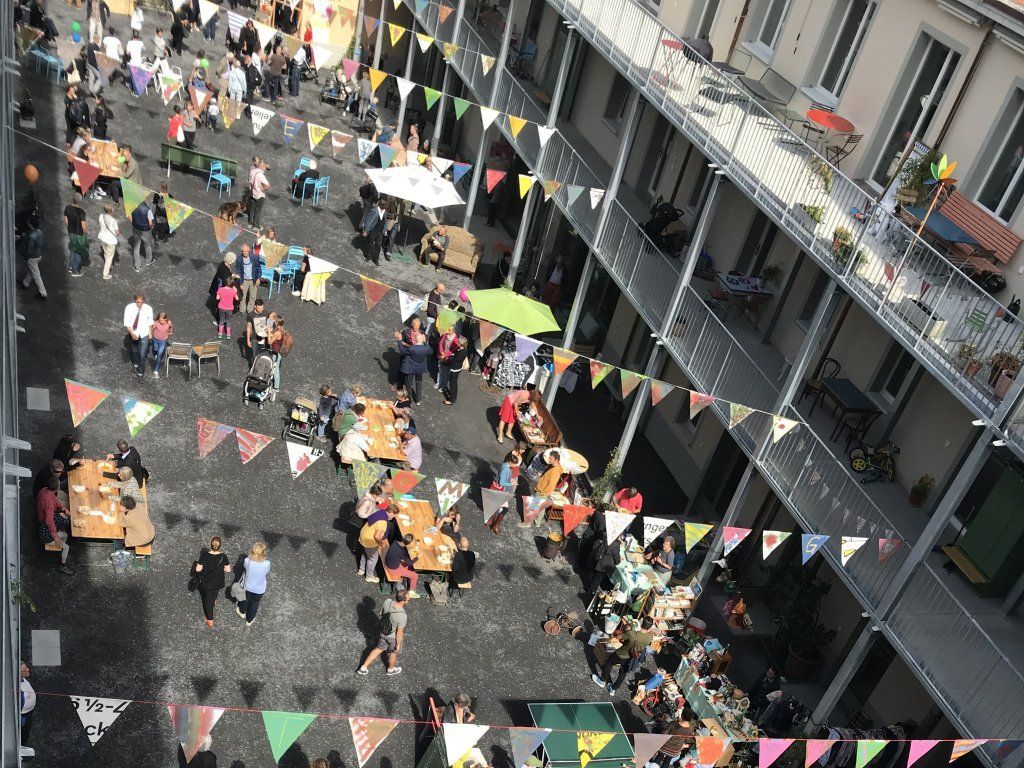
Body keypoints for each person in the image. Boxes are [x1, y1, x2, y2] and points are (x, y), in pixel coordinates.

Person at [592, 616, 655, 695]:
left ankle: (602, 681)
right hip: (631, 658)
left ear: (641, 623)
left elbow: (618, 637)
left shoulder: (632, 634)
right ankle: (613, 689)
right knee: (623, 673)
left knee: (609, 663)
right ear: (650, 627)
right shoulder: (650, 637)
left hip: (621, 654)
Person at [356, 590, 408, 676]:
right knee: (393, 653)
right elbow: (399, 633)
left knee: (378, 649)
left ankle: (363, 668)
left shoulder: (387, 601)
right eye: (408, 599)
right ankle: (390, 670)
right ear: (403, 601)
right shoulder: (402, 615)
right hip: (392, 637)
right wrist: (398, 645)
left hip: (383, 632)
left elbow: (382, 614)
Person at [194, 536, 232, 628]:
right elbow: (228, 570)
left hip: (207, 582)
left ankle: (210, 619)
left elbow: (198, 569)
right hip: (218, 581)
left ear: (210, 544)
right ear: (220, 546)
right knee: (215, 592)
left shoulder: (204, 555)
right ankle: (214, 601)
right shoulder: (223, 556)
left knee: (207, 601)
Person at [37, 477, 72, 573]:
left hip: (44, 529)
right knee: (67, 547)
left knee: (65, 535)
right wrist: (56, 537)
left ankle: (59, 549)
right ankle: (62, 566)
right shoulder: (50, 506)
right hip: (46, 536)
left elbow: (54, 500)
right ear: (58, 487)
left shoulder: (45, 490)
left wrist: (63, 508)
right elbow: (49, 520)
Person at [488, 447, 522, 534]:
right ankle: (495, 526)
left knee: (496, 506)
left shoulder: (505, 465)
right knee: (505, 509)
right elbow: (502, 482)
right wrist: (511, 484)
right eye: (514, 464)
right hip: (501, 491)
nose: (515, 466)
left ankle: (490, 520)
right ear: (510, 462)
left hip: (499, 490)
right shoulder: (505, 469)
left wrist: (510, 481)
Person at [235, 542, 271, 627]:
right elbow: (267, 572)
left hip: (247, 586)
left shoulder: (247, 560)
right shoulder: (267, 563)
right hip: (259, 588)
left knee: (244, 599)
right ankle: (249, 620)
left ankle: (242, 612)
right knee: (255, 603)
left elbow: (245, 567)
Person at [123, 293, 155, 378]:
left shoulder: (148, 308)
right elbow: (127, 322)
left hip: (144, 333)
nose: (140, 304)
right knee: (135, 351)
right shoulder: (129, 308)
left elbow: (150, 321)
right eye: (138, 302)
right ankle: (136, 364)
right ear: (135, 301)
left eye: (142, 302)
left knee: (142, 353)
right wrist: (132, 333)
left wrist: (150, 333)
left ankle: (141, 372)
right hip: (134, 332)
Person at [17, 212, 46, 300]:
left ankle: (43, 294)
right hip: (38, 256)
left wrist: (25, 257)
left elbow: (29, 251)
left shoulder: (31, 235)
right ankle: (25, 283)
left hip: (32, 258)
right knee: (32, 271)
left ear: (31, 224)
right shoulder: (39, 232)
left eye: (29, 222)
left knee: (36, 275)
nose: (27, 223)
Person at [383, 533, 421, 598]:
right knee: (415, 575)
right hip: (392, 569)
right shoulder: (402, 552)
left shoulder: (395, 542)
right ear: (409, 543)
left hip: (388, 562)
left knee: (407, 566)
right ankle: (411, 592)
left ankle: (403, 581)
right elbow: (409, 563)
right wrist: (417, 557)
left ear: (403, 537)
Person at [357, 506, 390, 583]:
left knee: (365, 554)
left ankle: (361, 570)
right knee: (372, 559)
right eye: (394, 515)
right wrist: (381, 544)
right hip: (370, 541)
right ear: (391, 513)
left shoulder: (380, 512)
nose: (393, 517)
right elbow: (377, 536)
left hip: (363, 536)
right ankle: (369, 576)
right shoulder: (383, 522)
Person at [398, 332, 431, 405]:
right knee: (419, 383)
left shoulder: (411, 348)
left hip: (410, 368)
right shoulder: (427, 348)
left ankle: (409, 399)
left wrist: (399, 340)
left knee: (409, 384)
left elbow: (402, 351)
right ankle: (418, 400)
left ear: (416, 340)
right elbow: (431, 352)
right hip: (420, 369)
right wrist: (425, 342)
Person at [64, 192, 88, 278]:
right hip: (79, 234)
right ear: (80, 201)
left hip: (70, 232)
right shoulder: (81, 212)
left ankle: (71, 267)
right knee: (78, 252)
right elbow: (84, 227)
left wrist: (69, 228)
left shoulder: (67, 208)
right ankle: (74, 270)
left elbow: (65, 221)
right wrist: (86, 234)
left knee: (72, 250)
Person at [130, 196, 156, 271]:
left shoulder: (132, 206)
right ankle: (148, 260)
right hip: (145, 231)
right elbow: (150, 223)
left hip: (136, 229)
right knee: (147, 245)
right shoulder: (148, 209)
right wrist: (152, 227)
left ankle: (137, 267)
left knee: (136, 248)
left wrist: (134, 223)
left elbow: (129, 216)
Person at [360, 197, 387, 265]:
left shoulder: (385, 211)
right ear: (380, 205)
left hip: (380, 231)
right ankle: (368, 257)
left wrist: (385, 229)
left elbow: (385, 221)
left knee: (378, 245)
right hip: (374, 229)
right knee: (371, 244)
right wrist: (366, 230)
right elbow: (368, 220)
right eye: (383, 206)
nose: (384, 208)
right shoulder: (374, 210)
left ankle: (376, 260)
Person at [442, 337, 469, 405]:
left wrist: (446, 359)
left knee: (452, 384)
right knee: (454, 383)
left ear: (461, 344)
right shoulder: (464, 349)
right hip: (458, 368)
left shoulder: (461, 353)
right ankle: (453, 397)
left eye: (458, 342)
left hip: (455, 369)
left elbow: (453, 360)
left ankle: (451, 400)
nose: (457, 342)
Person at [234, 243, 260, 313]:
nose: (245, 253)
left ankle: (250, 310)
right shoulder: (239, 259)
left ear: (249, 250)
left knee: (253, 296)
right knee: (242, 296)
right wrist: (240, 283)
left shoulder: (254, 257)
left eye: (246, 251)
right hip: (244, 280)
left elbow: (258, 268)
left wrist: (258, 278)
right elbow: (238, 271)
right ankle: (242, 309)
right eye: (243, 251)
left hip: (253, 280)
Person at [97, 203, 120, 280]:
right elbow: (117, 233)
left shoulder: (101, 216)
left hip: (102, 237)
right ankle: (105, 274)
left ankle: (108, 264)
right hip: (110, 240)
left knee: (106, 252)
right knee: (110, 257)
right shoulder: (113, 220)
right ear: (111, 210)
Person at [248, 159, 270, 229]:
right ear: (262, 167)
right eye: (265, 167)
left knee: (252, 208)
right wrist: (263, 189)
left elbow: (250, 181)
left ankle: (250, 223)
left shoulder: (252, 171)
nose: (265, 169)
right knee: (258, 211)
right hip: (259, 195)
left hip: (253, 193)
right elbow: (268, 185)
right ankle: (256, 226)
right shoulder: (260, 175)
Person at [150, 311, 173, 377]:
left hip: (163, 340)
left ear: (166, 319)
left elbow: (170, 329)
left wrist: (170, 332)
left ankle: (156, 371)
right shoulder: (156, 323)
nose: (161, 321)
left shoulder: (168, 323)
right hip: (155, 339)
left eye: (162, 320)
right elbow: (151, 328)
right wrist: (150, 334)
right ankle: (155, 354)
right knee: (155, 349)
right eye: (160, 320)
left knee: (159, 354)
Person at [20, 663, 35, 755]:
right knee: (23, 734)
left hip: (29, 713)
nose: (28, 669)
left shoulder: (22, 679)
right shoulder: (21, 690)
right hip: (24, 716)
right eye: (25, 670)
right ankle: (21, 748)